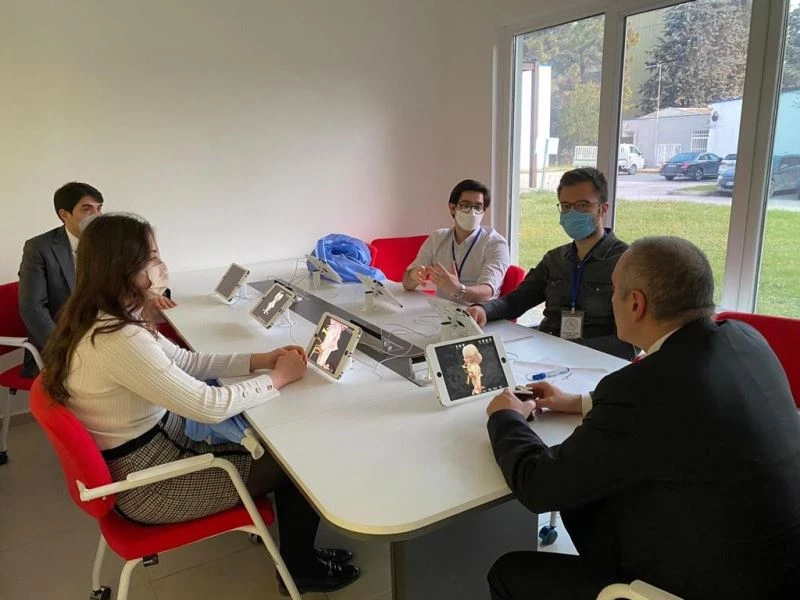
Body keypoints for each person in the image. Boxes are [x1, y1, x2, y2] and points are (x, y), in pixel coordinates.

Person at [41, 213, 360, 595]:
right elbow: (208, 405)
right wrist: (278, 378)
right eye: (152, 258)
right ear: (123, 268)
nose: (161, 266)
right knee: (297, 463)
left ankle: (296, 551)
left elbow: (185, 362)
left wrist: (260, 359)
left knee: (272, 440)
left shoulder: (104, 320)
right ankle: (300, 567)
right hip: (151, 487)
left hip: (147, 457)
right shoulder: (118, 339)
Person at [484, 236, 800, 600]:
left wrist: (506, 417)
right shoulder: (745, 339)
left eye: (613, 291)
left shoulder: (644, 388)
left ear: (635, 304)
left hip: (709, 583)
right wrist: (579, 403)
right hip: (776, 567)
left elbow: (539, 487)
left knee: (508, 572)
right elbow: (685, 410)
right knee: (587, 500)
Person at [467, 168, 635, 360]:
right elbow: (516, 301)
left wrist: (570, 349)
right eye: (566, 206)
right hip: (547, 356)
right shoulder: (555, 259)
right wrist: (483, 309)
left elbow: (632, 342)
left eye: (582, 205)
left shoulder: (627, 262)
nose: (572, 213)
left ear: (603, 209)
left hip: (596, 362)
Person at [19, 183, 177, 376]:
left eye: (99, 208)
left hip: (108, 334)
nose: (96, 215)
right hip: (62, 344)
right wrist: (64, 350)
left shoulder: (109, 243)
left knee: (161, 360)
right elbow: (32, 308)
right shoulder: (39, 248)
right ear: (64, 214)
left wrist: (151, 296)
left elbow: (134, 279)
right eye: (87, 209)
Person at [403, 179, 509, 303]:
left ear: (483, 211)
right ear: (453, 208)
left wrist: (459, 289)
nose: (472, 212)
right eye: (465, 205)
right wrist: (414, 275)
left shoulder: (496, 244)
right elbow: (406, 283)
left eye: (478, 207)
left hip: (477, 312)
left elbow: (487, 292)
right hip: (442, 310)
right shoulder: (437, 238)